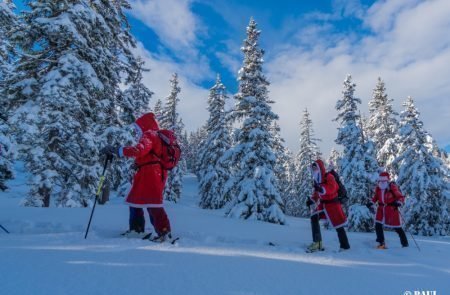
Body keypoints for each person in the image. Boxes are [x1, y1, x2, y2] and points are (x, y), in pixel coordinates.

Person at [101, 112, 172, 241]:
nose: (138, 131)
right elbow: (149, 155)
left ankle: (162, 231)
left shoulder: (150, 135)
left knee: (151, 202)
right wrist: (138, 164)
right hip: (153, 173)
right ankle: (141, 229)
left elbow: (139, 150)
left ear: (144, 126)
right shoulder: (157, 137)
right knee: (138, 200)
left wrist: (118, 150)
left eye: (138, 128)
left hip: (149, 175)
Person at [306, 159, 350, 252]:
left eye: (315, 168)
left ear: (320, 168)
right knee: (314, 217)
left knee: (339, 226)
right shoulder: (317, 179)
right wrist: (312, 200)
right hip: (323, 205)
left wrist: (322, 189)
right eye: (313, 169)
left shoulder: (329, 176)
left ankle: (345, 246)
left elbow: (332, 188)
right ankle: (317, 243)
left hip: (333, 204)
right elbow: (317, 193)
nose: (314, 170)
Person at [367, 172, 408, 249]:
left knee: (397, 227)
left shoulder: (392, 187)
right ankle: (381, 243)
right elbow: (375, 198)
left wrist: (399, 203)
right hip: (381, 209)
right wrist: (371, 203)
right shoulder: (378, 188)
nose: (382, 182)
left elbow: (400, 197)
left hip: (391, 209)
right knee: (378, 225)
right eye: (381, 180)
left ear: (387, 180)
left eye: (384, 180)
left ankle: (405, 244)